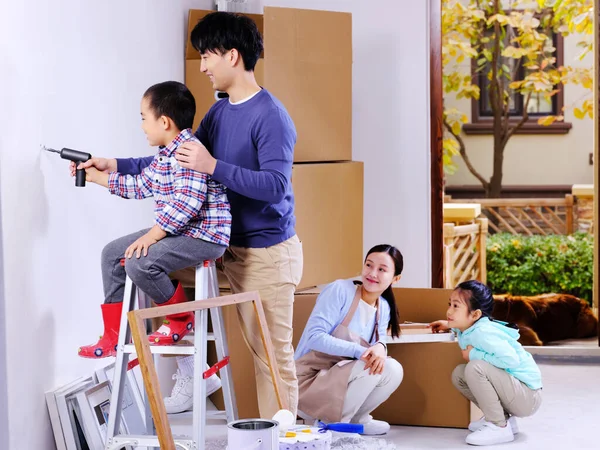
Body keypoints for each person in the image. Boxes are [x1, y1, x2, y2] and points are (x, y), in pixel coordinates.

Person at [75, 12, 303, 418]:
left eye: (206, 56)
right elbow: (174, 160)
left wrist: (213, 166)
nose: (202, 66)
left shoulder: (271, 116)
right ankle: (192, 369)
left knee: (270, 356)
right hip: (217, 242)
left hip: (264, 252)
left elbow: (275, 186)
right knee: (138, 266)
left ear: (232, 56)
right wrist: (115, 165)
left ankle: (279, 439)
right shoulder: (219, 113)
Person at [76, 81, 231, 363]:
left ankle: (181, 317)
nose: (142, 126)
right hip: (179, 230)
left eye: (143, 118)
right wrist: (98, 178)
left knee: (140, 262)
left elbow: (188, 205)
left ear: (164, 121)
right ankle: (113, 335)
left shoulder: (188, 151)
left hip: (204, 235)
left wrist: (153, 236)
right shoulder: (165, 154)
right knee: (112, 254)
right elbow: (141, 185)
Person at [294, 244, 404, 436]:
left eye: (381, 269)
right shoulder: (340, 290)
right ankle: (331, 423)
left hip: (339, 380)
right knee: (369, 364)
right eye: (369, 265)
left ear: (395, 279)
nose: (372, 273)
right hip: (309, 381)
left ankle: (356, 419)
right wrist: (360, 351)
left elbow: (382, 340)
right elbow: (314, 337)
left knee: (393, 368)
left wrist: (380, 346)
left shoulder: (383, 307)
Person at [429, 280, 543, 446]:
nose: (449, 310)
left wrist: (474, 354)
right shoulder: (472, 327)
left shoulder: (483, 332)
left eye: (456, 306)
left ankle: (498, 426)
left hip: (528, 396)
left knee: (475, 367)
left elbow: (510, 360)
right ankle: (504, 420)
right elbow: (465, 328)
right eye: (450, 304)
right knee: (459, 374)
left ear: (475, 315)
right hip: (517, 392)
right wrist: (448, 324)